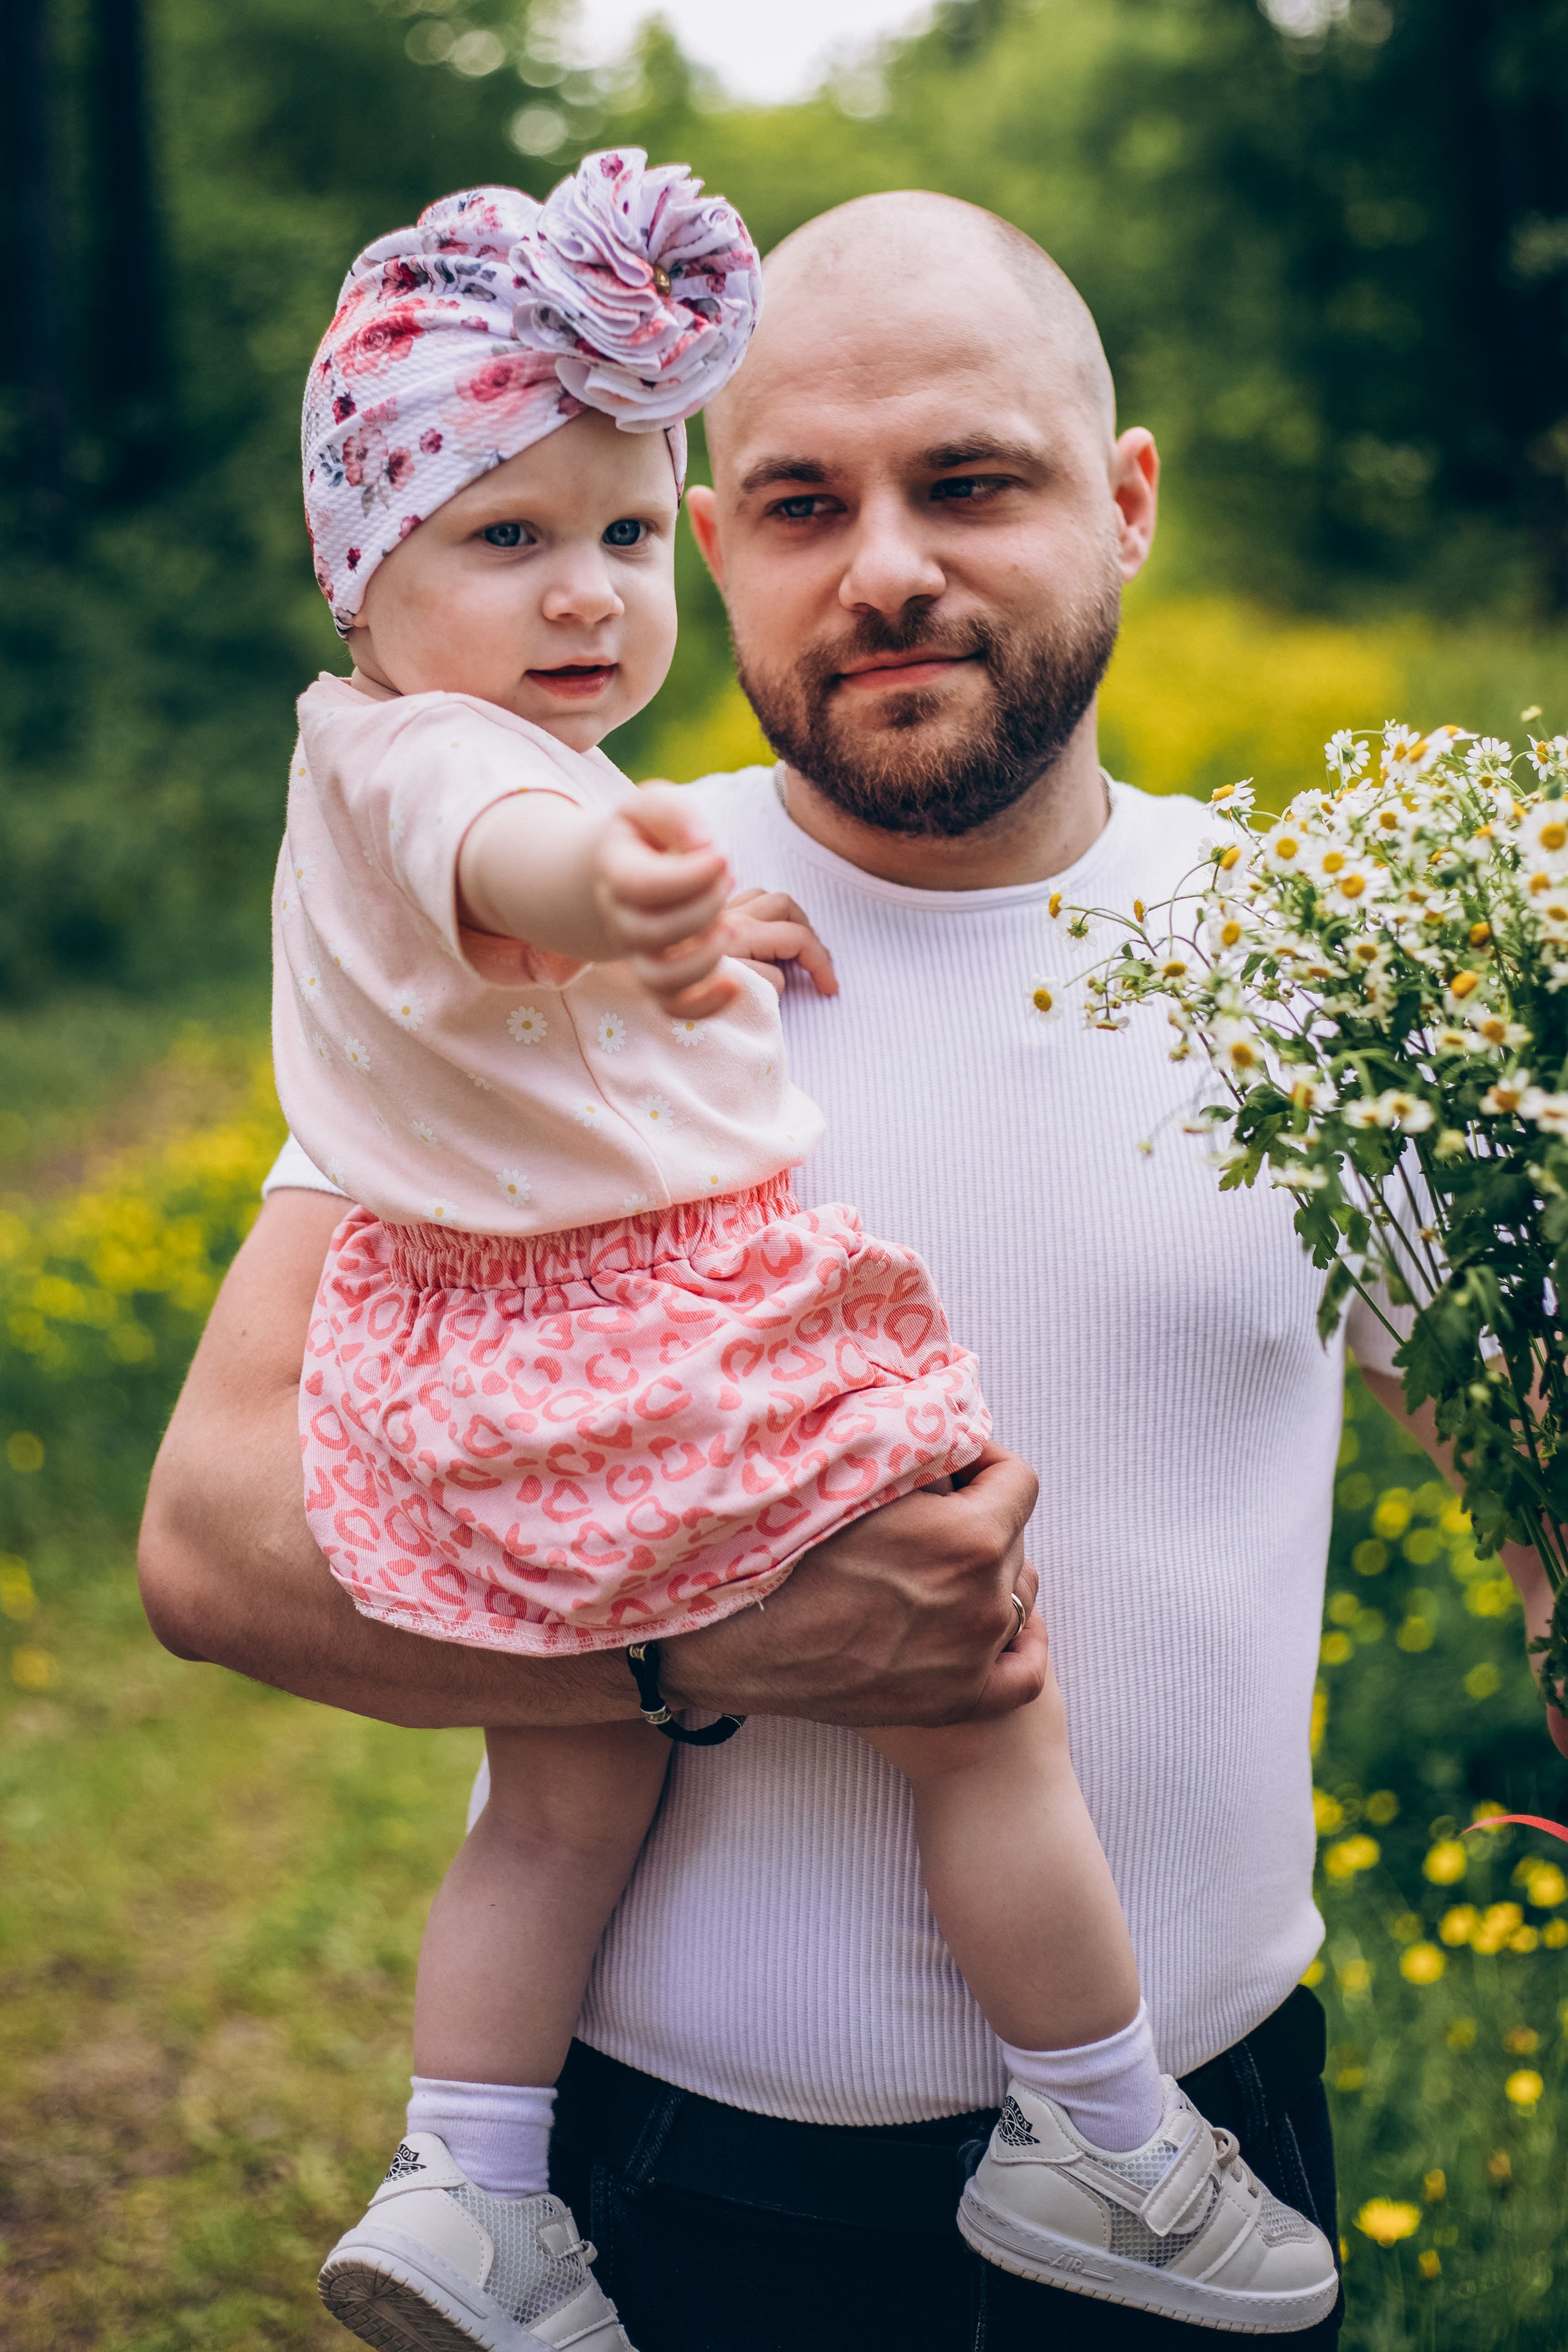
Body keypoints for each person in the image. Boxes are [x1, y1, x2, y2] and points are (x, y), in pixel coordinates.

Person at [139, 186, 1561, 2351]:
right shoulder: (549, 958)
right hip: (693, 2182)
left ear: (1128, 499)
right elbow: (215, 1550)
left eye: (970, 484)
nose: (886, 565)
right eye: (803, 502)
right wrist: (709, 1653)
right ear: (714, 549)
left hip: (1212, 2138)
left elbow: (1528, 1453)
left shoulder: (1324, 970)